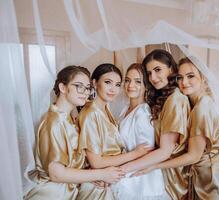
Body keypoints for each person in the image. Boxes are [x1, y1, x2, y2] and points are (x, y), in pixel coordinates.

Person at [134, 57, 219, 200]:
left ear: (203, 78)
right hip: (203, 176)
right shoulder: (193, 102)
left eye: (191, 76)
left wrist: (155, 165)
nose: (184, 82)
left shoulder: (202, 109)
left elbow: (194, 155)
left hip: (214, 182)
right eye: (180, 77)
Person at [25, 66, 125, 200]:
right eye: (79, 86)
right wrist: (101, 174)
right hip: (51, 194)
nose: (85, 92)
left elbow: (73, 163)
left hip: (69, 192)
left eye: (87, 87)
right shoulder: (53, 122)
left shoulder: (68, 119)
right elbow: (56, 174)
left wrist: (92, 175)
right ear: (63, 88)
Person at [121, 50, 191, 200]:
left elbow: (165, 151)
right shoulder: (165, 97)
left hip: (169, 172)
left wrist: (122, 170)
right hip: (156, 165)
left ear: (171, 68)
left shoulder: (175, 99)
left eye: (158, 70)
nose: (153, 77)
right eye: (149, 73)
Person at [76, 63, 152, 200]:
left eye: (117, 84)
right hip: (98, 188)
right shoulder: (90, 113)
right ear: (94, 83)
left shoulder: (106, 109)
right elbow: (96, 162)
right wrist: (135, 153)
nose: (113, 89)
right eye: (108, 82)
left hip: (111, 179)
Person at [112, 63, 169, 199]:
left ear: (146, 86)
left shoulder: (143, 113)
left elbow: (147, 151)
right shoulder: (125, 109)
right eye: (127, 80)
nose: (130, 85)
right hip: (127, 173)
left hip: (140, 181)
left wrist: (121, 171)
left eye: (138, 81)